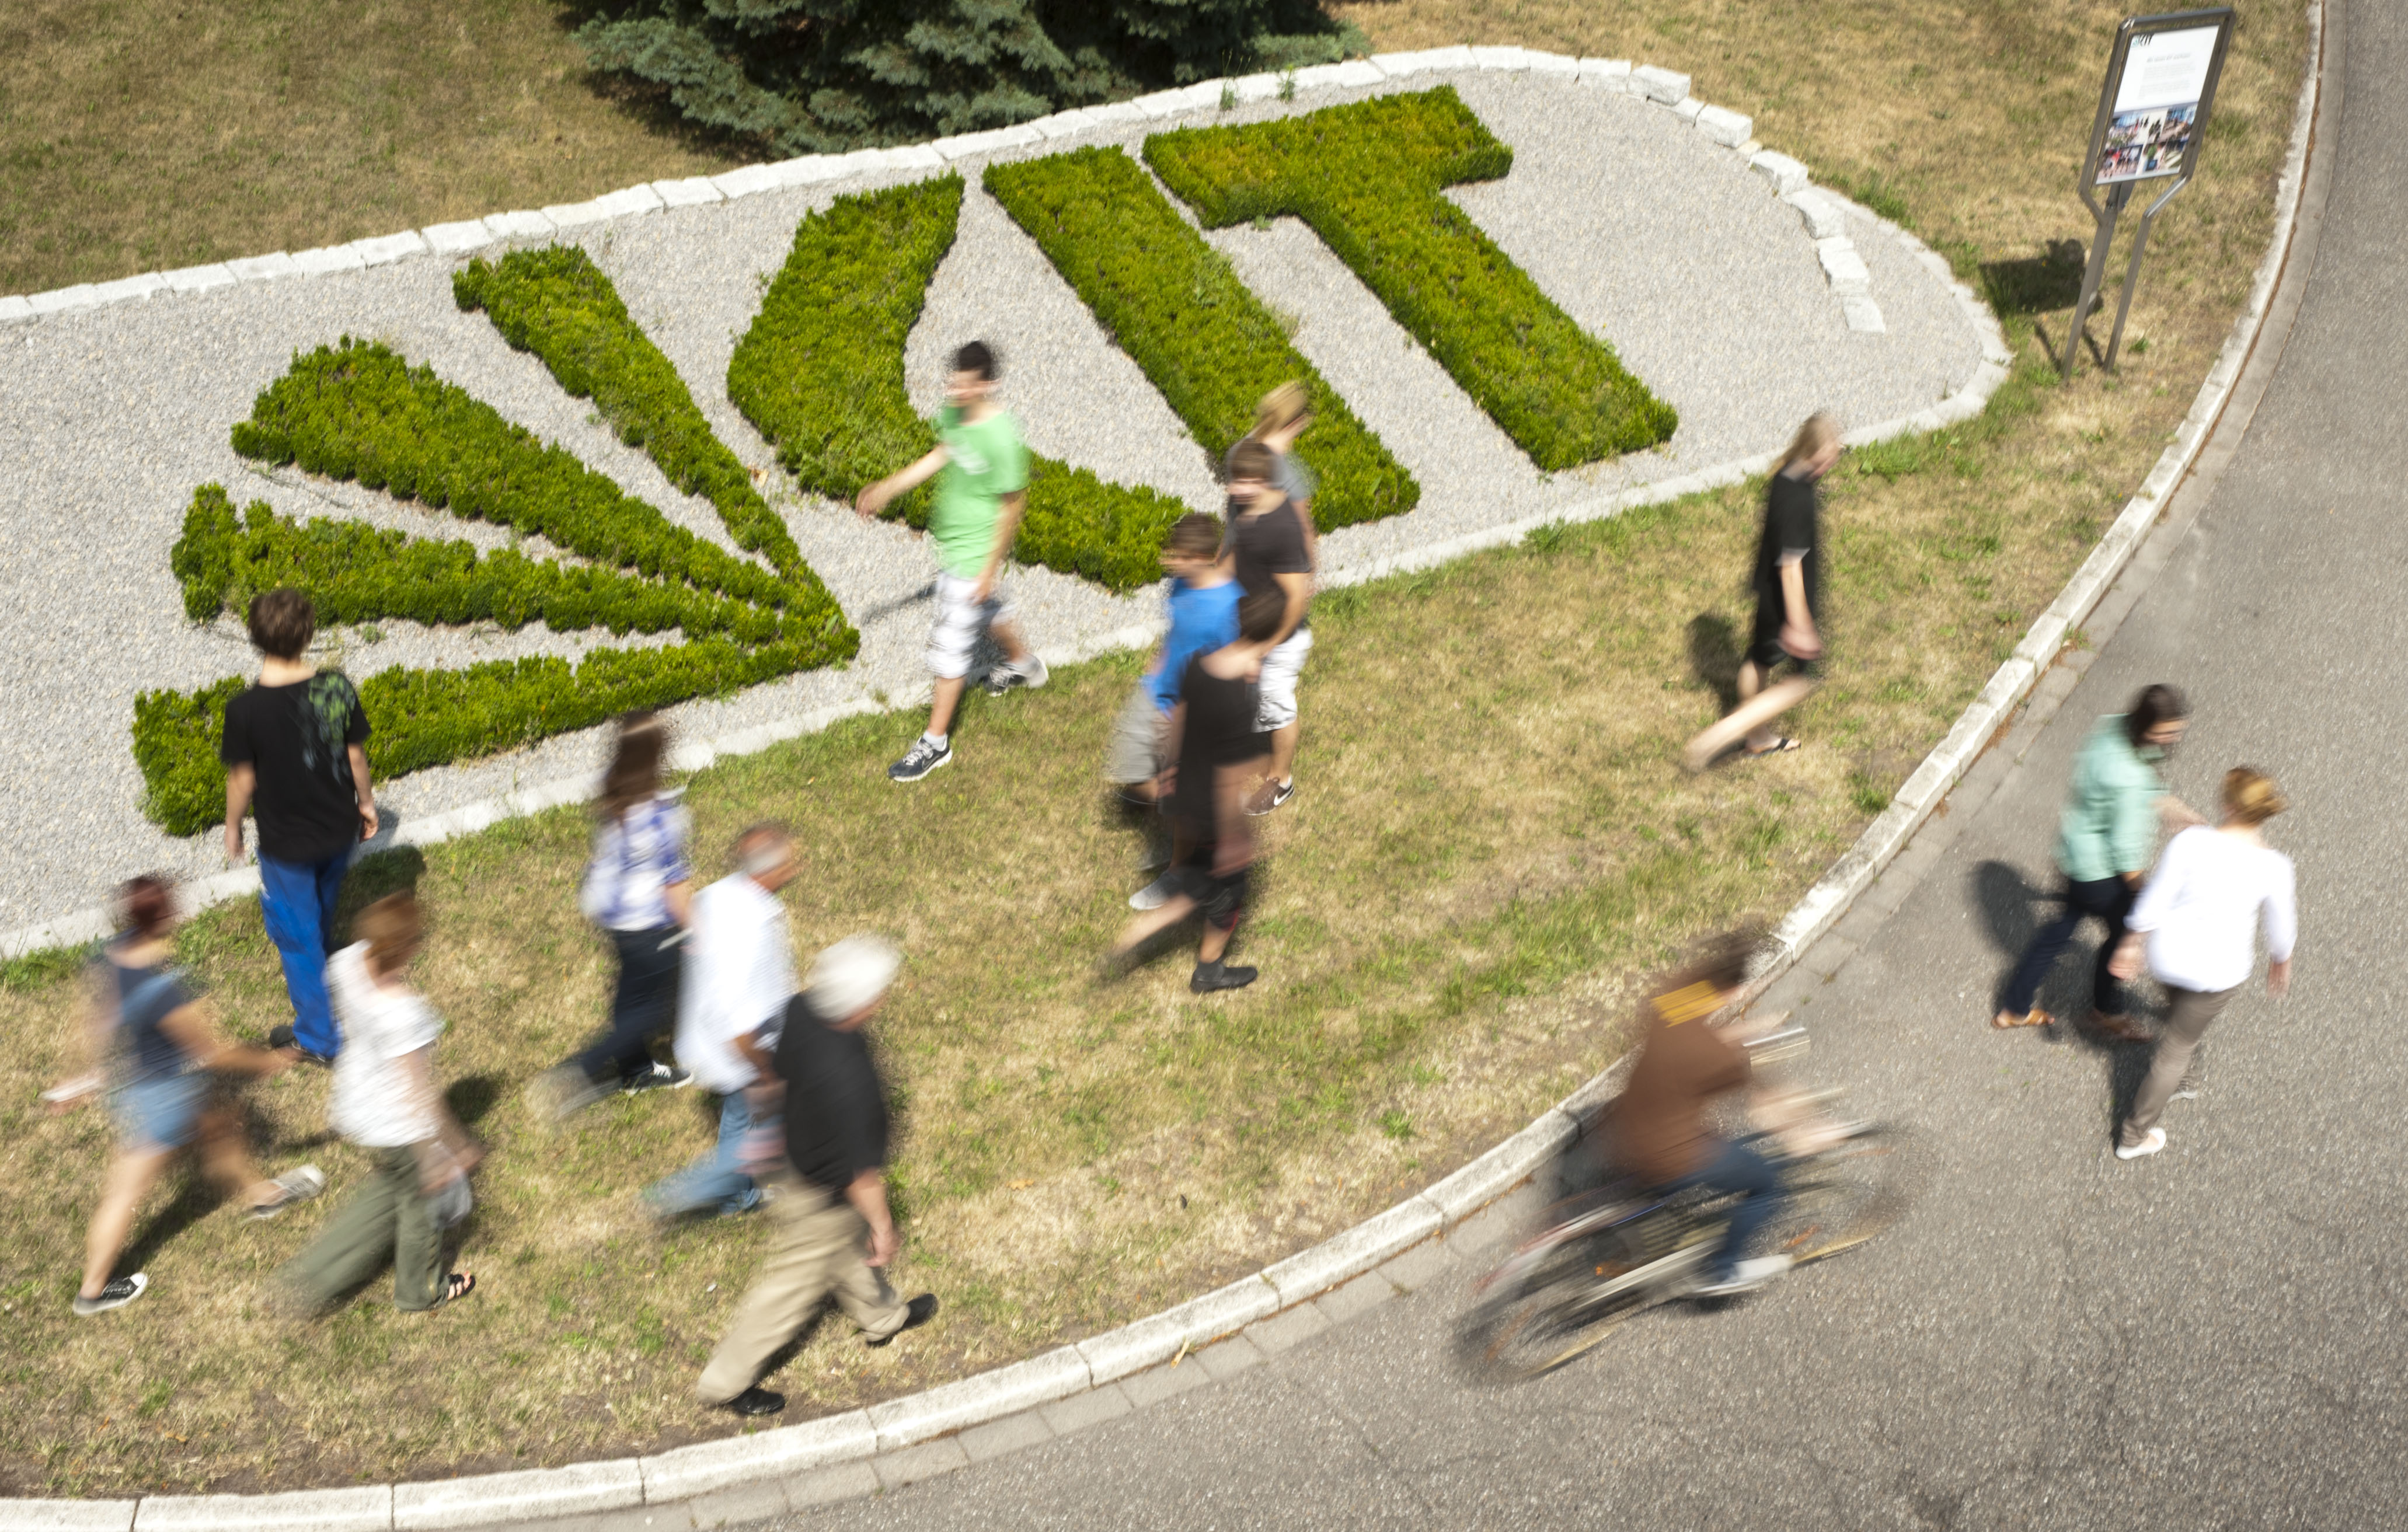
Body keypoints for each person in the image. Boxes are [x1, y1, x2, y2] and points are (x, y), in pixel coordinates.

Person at [49, 875, 325, 1315]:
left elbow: (98, 1021)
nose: (177, 912)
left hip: (133, 1086)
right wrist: (271, 1061)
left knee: (222, 1123)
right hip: (163, 1101)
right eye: (170, 908)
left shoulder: (111, 953)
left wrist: (82, 1078)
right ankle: (92, 1290)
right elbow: (211, 1053)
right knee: (124, 1192)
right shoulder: (164, 986)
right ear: (160, 916)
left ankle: (262, 1196)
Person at [696, 936, 938, 1416]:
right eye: (880, 991)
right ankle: (724, 1383)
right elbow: (860, 1176)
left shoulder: (802, 1009)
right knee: (790, 1288)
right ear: (863, 1002)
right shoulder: (849, 1079)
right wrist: (884, 1228)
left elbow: (778, 1075)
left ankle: (883, 1317)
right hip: (821, 1191)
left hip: (791, 1156)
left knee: (843, 1254)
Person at [276, 893, 480, 1314]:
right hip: (397, 1128)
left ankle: (304, 1280)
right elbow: (418, 1093)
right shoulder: (405, 1013)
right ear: (409, 947)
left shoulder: (347, 965)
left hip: (357, 1110)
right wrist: (451, 1148)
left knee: (383, 1197)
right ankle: (421, 1290)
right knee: (420, 1207)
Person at [856, 340, 1049, 784]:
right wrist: (888, 488)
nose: (955, 395)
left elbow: (1011, 507)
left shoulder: (1003, 438)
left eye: (964, 388)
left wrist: (986, 569)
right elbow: (944, 452)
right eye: (952, 385)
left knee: (948, 648)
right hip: (954, 548)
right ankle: (1023, 663)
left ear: (988, 385)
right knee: (989, 611)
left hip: (974, 555)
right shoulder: (956, 414)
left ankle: (935, 742)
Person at [221, 588, 377, 1063]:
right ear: (309, 635)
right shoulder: (336, 688)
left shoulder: (244, 710)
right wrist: (366, 804)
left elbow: (243, 778)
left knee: (297, 935)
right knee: (321, 918)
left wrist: (233, 825)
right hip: (336, 830)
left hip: (287, 846)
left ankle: (317, 1038)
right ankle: (324, 983)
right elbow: (355, 756)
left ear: (253, 638)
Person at [1994, 685, 2203, 1038]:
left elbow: (2121, 783)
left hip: (2074, 850)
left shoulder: (2114, 727)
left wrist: (2172, 807)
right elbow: (2126, 855)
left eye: (2177, 731)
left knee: (2060, 929)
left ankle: (2014, 1008)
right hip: (2100, 874)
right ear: (2147, 729)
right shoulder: (2130, 781)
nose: (2173, 739)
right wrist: (2146, 896)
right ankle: (2104, 1014)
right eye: (2168, 733)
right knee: (2122, 933)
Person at [2110, 768, 2297, 1160]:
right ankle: (2133, 1135)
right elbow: (2281, 926)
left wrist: (2130, 942)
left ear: (2228, 806)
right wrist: (2280, 960)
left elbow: (2155, 897)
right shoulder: (2274, 867)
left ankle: (2187, 1078)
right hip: (2217, 971)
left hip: (2167, 957)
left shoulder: (2190, 842)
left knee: (2178, 1019)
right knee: (2175, 1047)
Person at [1108, 591, 1284, 994]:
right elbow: (1228, 783)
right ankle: (1209, 970)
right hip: (1211, 810)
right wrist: (1235, 839)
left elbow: (1177, 722)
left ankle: (1134, 937)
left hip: (1183, 787)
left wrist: (1170, 770)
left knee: (1195, 884)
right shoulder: (1242, 699)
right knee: (1227, 892)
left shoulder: (1200, 663)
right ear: (1273, 636)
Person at [528, 712, 695, 1123]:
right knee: (650, 1010)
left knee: (629, 993)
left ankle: (636, 1070)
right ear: (657, 754)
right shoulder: (662, 817)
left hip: (612, 918)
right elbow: (674, 884)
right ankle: (580, 1070)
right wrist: (695, 929)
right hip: (650, 927)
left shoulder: (611, 790)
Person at [1604, 930, 1790, 1297]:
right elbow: (1758, 1096)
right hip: (1669, 1156)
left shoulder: (1674, 993)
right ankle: (1722, 1271)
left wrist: (1746, 1031)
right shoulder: (1716, 1060)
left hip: (1625, 1124)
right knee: (1767, 1183)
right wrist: (1807, 1130)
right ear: (1735, 991)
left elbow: (1692, 1035)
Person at [643, 823, 798, 1220]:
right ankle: (672, 1195)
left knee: (741, 1120)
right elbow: (737, 1017)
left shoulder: (719, 894)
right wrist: (765, 1071)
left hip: (709, 1038)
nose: (797, 867)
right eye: (791, 861)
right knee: (763, 1136)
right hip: (740, 1049)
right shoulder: (752, 927)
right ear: (768, 872)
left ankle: (737, 1200)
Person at [1680, 414, 1844, 772]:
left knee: (1758, 660)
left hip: (1766, 594)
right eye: (1831, 454)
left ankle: (1758, 739)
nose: (1833, 462)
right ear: (1815, 451)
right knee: (1803, 681)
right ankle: (1716, 738)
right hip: (1788, 603)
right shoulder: (1800, 498)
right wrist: (1800, 624)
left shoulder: (1784, 477)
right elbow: (1791, 567)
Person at [1113, 512, 1240, 910]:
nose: (1172, 563)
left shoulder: (1228, 607)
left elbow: (1228, 671)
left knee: (1180, 795)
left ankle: (1178, 872)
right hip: (1156, 691)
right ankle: (1180, 832)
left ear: (1206, 556)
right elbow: (1176, 635)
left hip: (1193, 711)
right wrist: (1155, 671)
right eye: (1172, 554)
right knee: (1131, 774)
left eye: (1181, 557)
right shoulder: (1179, 584)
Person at [1223, 385, 1319, 815]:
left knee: (1275, 698)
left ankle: (1280, 780)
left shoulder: (1241, 454)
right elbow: (1303, 538)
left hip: (1273, 615)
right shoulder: (1277, 473)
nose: (1240, 490)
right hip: (1252, 600)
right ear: (1298, 422)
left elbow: (1293, 590)